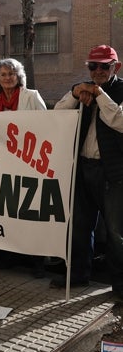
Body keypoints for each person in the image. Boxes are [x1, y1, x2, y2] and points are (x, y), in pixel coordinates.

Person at [53, 45, 123, 294]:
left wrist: (99, 94)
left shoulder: (119, 89)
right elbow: (57, 115)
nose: (98, 71)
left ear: (116, 67)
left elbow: (119, 121)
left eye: (105, 66)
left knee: (116, 232)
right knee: (79, 226)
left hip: (113, 173)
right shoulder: (82, 88)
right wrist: (74, 92)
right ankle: (78, 275)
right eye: (93, 66)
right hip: (82, 167)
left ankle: (120, 287)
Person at [0, 58, 47, 276]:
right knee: (7, 211)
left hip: (28, 162)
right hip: (3, 164)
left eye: (11, 74)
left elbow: (47, 125)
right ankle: (8, 256)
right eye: (3, 74)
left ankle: (37, 261)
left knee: (29, 212)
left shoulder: (31, 96)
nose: (8, 78)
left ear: (19, 76)